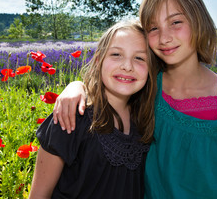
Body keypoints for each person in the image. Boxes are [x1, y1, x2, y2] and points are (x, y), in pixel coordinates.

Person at [51, 0, 217, 199]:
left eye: (176, 22)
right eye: (153, 28)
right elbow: (110, 87)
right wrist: (77, 86)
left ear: (199, 21)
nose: (164, 37)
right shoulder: (148, 85)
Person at [29, 20, 158, 198]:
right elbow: (39, 196)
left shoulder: (147, 119)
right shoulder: (72, 116)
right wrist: (77, 84)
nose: (127, 66)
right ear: (98, 61)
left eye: (139, 58)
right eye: (116, 54)